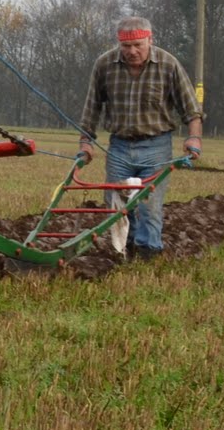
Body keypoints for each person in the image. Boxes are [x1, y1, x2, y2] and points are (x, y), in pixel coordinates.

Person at [76, 16, 204, 259]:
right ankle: (126, 249)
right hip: (119, 146)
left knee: (149, 206)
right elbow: (91, 107)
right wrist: (85, 142)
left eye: (138, 45)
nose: (132, 51)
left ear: (150, 40)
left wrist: (194, 138)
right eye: (126, 47)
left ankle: (149, 254)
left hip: (156, 145)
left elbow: (191, 108)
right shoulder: (105, 65)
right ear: (118, 44)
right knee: (117, 205)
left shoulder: (168, 64)